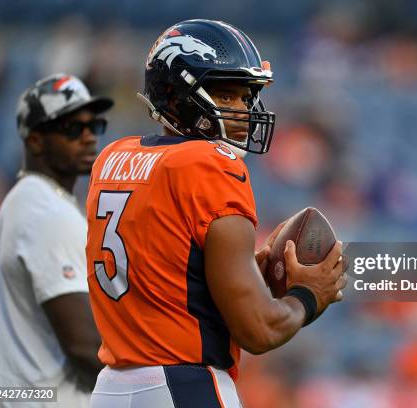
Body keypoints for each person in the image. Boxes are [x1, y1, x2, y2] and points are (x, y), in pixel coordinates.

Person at [86, 19, 347, 408]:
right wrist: (309, 295)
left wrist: (248, 271)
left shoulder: (112, 157)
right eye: (226, 97)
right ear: (175, 98)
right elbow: (259, 330)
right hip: (183, 385)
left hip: (110, 390)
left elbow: (169, 282)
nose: (242, 111)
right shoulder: (210, 162)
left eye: (245, 97)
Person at [0, 73, 113, 407]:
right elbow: (86, 347)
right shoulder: (45, 212)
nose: (87, 137)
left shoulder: (27, 200)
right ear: (35, 140)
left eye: (93, 126)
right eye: (72, 128)